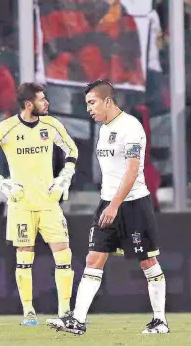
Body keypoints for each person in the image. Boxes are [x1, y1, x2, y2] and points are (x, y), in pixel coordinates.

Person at [52, 79, 168, 335]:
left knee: (148, 261)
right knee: (93, 259)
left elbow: (133, 170)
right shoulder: (103, 129)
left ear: (107, 101)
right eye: (86, 104)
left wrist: (115, 205)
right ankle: (78, 320)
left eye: (92, 103)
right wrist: (109, 202)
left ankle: (160, 321)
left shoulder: (131, 127)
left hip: (133, 204)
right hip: (108, 203)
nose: (89, 109)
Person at [0, 82, 78, 326]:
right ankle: (29, 311)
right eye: (42, 99)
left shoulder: (52, 125)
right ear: (29, 104)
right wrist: (0, 181)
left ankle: (65, 311)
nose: (46, 103)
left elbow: (72, 150)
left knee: (64, 254)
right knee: (24, 256)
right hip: (21, 204)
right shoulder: (7, 128)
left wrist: (65, 176)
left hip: (49, 202)